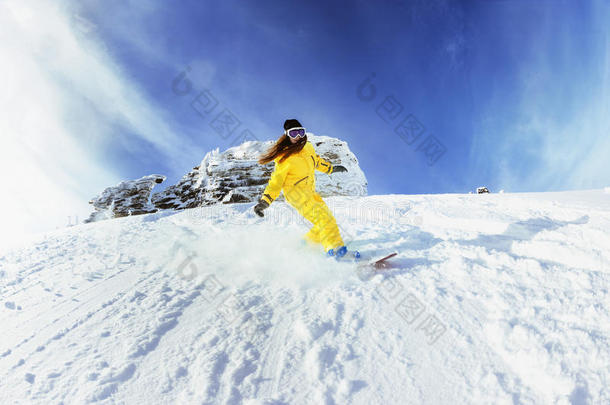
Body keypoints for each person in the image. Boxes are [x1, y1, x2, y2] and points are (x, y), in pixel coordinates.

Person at [253, 119, 354, 258]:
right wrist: (265, 201)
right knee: (324, 219)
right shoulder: (284, 158)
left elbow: (316, 161)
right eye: (293, 133)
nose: (298, 136)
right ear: (287, 135)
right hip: (296, 195)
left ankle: (305, 245)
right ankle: (336, 251)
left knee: (327, 219)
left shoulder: (308, 147)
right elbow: (275, 182)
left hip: (310, 192)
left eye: (300, 132)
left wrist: (331, 168)